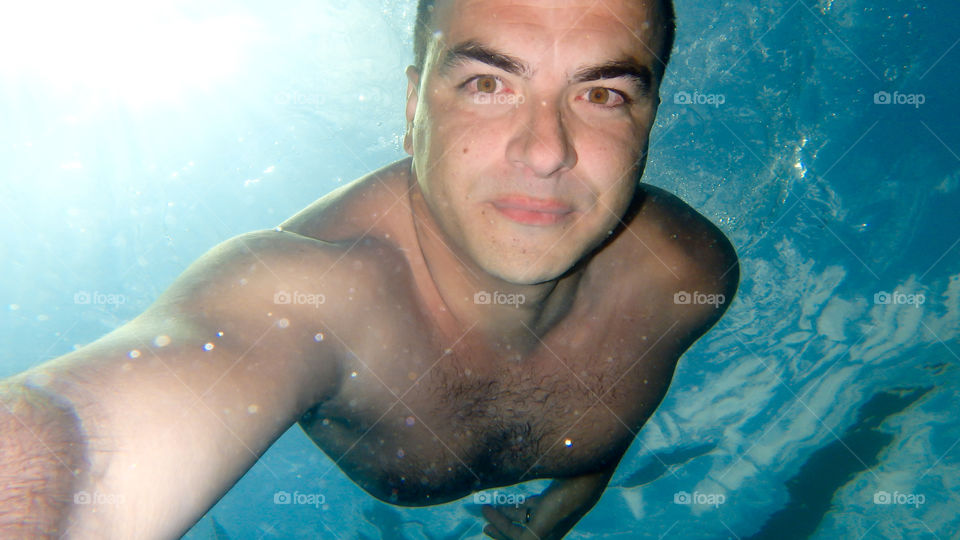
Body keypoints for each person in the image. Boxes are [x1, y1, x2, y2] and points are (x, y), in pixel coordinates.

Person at [0, 0, 738, 538]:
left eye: (602, 94)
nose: (545, 150)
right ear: (414, 102)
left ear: (650, 121)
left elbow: (611, 421)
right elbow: (79, 451)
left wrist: (551, 520)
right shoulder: (312, 293)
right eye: (488, 84)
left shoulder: (686, 277)